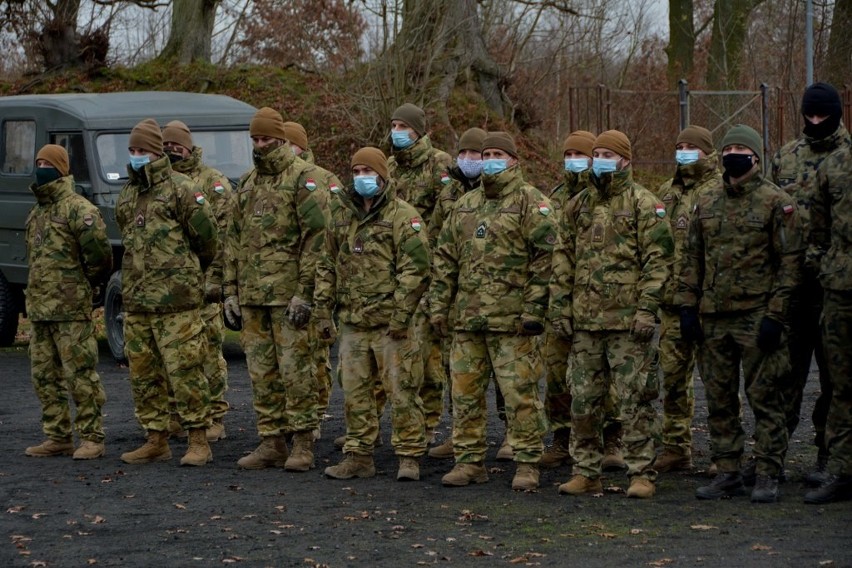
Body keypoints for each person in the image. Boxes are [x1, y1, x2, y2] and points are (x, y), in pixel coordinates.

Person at [679, 124, 803, 503]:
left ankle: (767, 471)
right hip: (714, 316)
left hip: (757, 316)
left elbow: (790, 264)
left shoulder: (775, 202)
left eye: (740, 148)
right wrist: (687, 306)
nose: (733, 153)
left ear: (754, 156)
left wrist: (776, 316)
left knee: (766, 398)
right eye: (728, 147)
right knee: (718, 399)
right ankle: (727, 469)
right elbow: (691, 257)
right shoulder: (707, 199)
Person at [550, 130, 673, 499]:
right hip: (586, 324)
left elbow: (659, 261)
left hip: (628, 325)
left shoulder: (643, 203)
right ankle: (586, 471)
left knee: (635, 400)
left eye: (607, 154)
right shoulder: (578, 205)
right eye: (596, 153)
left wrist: (647, 310)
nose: (599, 159)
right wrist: (560, 309)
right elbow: (562, 259)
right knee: (584, 401)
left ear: (625, 160)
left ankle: (641, 473)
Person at [431, 131, 554, 491]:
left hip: (513, 324)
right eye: (486, 154)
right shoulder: (465, 204)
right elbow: (445, 259)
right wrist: (439, 306)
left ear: (514, 160)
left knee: (521, 398)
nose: (490, 160)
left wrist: (534, 309)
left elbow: (546, 259)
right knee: (465, 396)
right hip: (467, 322)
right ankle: (469, 462)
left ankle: (527, 463)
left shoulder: (532, 202)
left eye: (498, 154)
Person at [223, 107, 330, 472]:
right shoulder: (248, 183)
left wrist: (306, 292)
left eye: (266, 138)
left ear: (282, 140)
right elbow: (232, 241)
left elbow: (317, 239)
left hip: (288, 297)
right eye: (255, 139)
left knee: (296, 371)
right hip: (253, 296)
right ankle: (271, 440)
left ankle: (302, 442)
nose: (260, 144)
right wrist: (230, 292)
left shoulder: (303, 179)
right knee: (261, 372)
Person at [317, 147, 430, 481]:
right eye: (357, 171)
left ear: (383, 175)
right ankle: (358, 455)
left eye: (368, 171)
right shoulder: (340, 216)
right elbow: (326, 266)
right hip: (353, 322)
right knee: (354, 394)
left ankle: (409, 457)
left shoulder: (402, 216)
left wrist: (400, 315)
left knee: (403, 391)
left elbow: (416, 269)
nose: (362, 178)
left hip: (390, 327)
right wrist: (324, 311)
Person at [116, 119, 219, 467]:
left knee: (186, 371)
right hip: (138, 302)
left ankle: (198, 440)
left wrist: (185, 275)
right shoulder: (129, 193)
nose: (136, 156)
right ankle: (155, 439)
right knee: (144, 375)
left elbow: (207, 240)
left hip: (177, 303)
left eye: (142, 150)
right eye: (132, 151)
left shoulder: (182, 189)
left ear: (156, 152)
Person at [770, 83, 850, 485]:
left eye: (823, 116)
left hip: (838, 287)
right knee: (785, 374)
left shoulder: (846, 158)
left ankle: (830, 458)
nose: (816, 123)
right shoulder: (785, 157)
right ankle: (772, 457)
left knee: (838, 380)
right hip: (794, 284)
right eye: (810, 116)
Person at [427, 127, 511, 461]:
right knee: (458, 376)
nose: (472, 160)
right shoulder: (451, 195)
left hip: (503, 304)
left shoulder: (519, 198)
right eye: (466, 154)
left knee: (509, 380)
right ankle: (460, 436)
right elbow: (437, 243)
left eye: (479, 154)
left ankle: (511, 436)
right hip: (462, 303)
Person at [24, 144, 113, 460]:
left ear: (61, 168)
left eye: (47, 162)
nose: (41, 166)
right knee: (44, 376)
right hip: (40, 310)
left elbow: (100, 257)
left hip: (71, 309)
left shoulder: (80, 209)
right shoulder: (37, 212)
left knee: (81, 374)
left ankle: (91, 437)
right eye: (37, 161)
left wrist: (82, 286)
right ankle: (57, 436)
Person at [653, 125, 722, 473]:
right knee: (673, 380)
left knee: (717, 381)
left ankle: (725, 453)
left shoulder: (721, 190)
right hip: (671, 304)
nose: (683, 152)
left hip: (710, 306)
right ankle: (676, 447)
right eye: (678, 146)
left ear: (707, 152)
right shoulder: (666, 192)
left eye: (690, 147)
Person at [162, 120, 233, 443]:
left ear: (189, 147)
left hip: (203, 286)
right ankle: (177, 414)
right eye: (166, 146)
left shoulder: (212, 182)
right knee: (174, 357)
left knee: (207, 353)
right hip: (169, 290)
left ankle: (215, 415)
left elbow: (223, 237)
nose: (171, 150)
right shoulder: (158, 181)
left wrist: (215, 281)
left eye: (177, 145)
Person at [388, 103, 454, 447]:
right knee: (399, 352)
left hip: (426, 270)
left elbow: (446, 217)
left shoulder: (439, 163)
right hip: (392, 272)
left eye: (403, 126)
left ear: (418, 129)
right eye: (393, 124)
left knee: (428, 355)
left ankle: (429, 423)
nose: (397, 131)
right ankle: (402, 423)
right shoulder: (388, 166)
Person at [539, 130, 595, 470]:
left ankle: (610, 439)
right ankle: (561, 439)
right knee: (557, 375)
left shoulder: (599, 197)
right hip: (557, 301)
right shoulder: (555, 197)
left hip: (596, 304)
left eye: (580, 154)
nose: (573, 160)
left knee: (597, 377)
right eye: (568, 153)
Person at [284, 120, 343, 440]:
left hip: (316, 280)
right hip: (285, 281)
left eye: (288, 143)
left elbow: (326, 235)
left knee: (314, 354)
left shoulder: (319, 180)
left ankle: (315, 413)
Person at [804, 115, 852, 504]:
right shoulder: (835, 166)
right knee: (842, 383)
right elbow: (817, 230)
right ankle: (843, 470)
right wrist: (824, 265)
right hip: (841, 288)